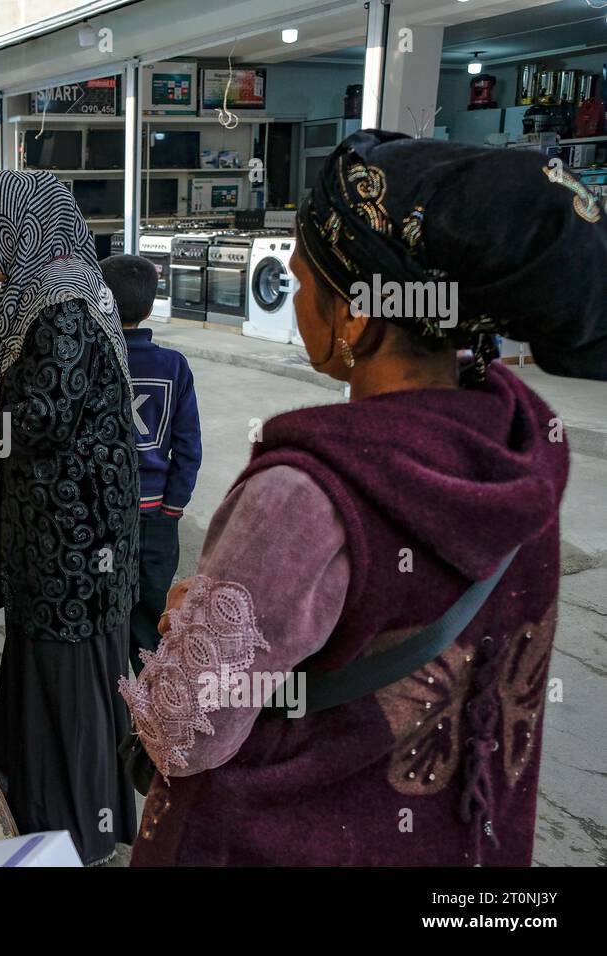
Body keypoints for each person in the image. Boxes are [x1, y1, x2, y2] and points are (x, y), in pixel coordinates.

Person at [121, 129, 607, 866]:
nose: (297, 296)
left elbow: (184, 731)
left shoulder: (305, 494)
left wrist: (195, 620)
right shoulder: (523, 437)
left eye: (305, 275)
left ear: (356, 317)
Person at [0, 170, 141, 865]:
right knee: (43, 657)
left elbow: (41, 418)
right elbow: (26, 380)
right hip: (53, 525)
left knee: (67, 665)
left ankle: (79, 831)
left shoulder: (62, 299)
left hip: (76, 532)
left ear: (23, 231)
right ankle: (39, 802)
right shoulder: (42, 286)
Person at [100, 254, 201, 677]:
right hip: (159, 517)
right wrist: (174, 506)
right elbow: (188, 446)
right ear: (152, 304)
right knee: (153, 621)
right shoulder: (173, 366)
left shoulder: (92, 360)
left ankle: (111, 715)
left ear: (100, 300)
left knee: (107, 614)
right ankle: (154, 718)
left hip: (105, 515)